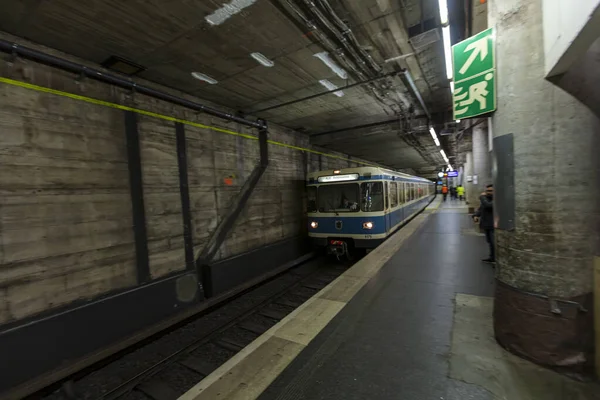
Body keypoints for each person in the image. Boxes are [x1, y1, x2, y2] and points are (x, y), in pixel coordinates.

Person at [473, 184, 494, 263]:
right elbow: (482, 208)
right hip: (486, 224)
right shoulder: (486, 199)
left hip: (493, 225)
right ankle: (492, 257)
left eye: (491, 191)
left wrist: (482, 197)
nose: (488, 192)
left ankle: (495, 258)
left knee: (493, 242)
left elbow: (488, 205)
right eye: (487, 191)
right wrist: (476, 215)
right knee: (489, 242)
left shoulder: (496, 199)